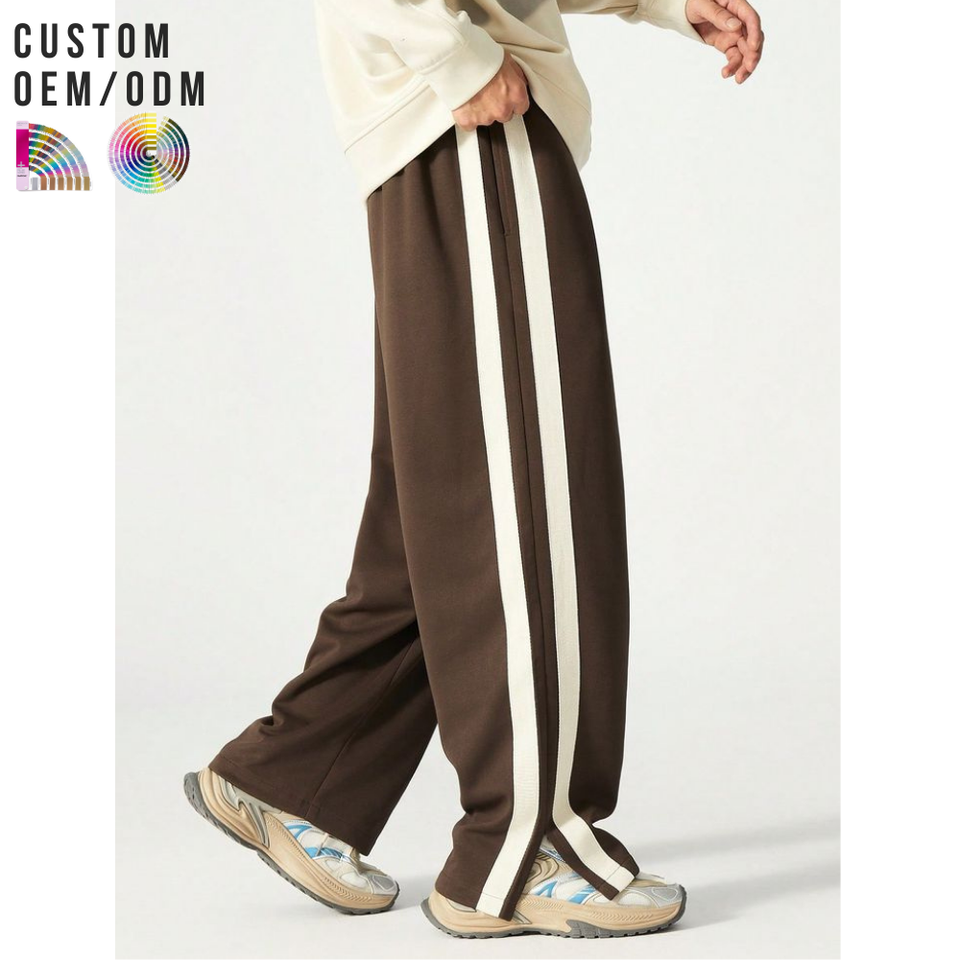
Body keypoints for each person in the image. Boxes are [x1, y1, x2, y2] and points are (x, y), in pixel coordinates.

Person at [185, 0, 763, 939]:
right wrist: (456, 58)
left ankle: (299, 777)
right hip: (468, 124)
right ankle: (524, 847)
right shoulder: (464, 90)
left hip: (445, 124)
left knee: (451, 495)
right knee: (528, 497)